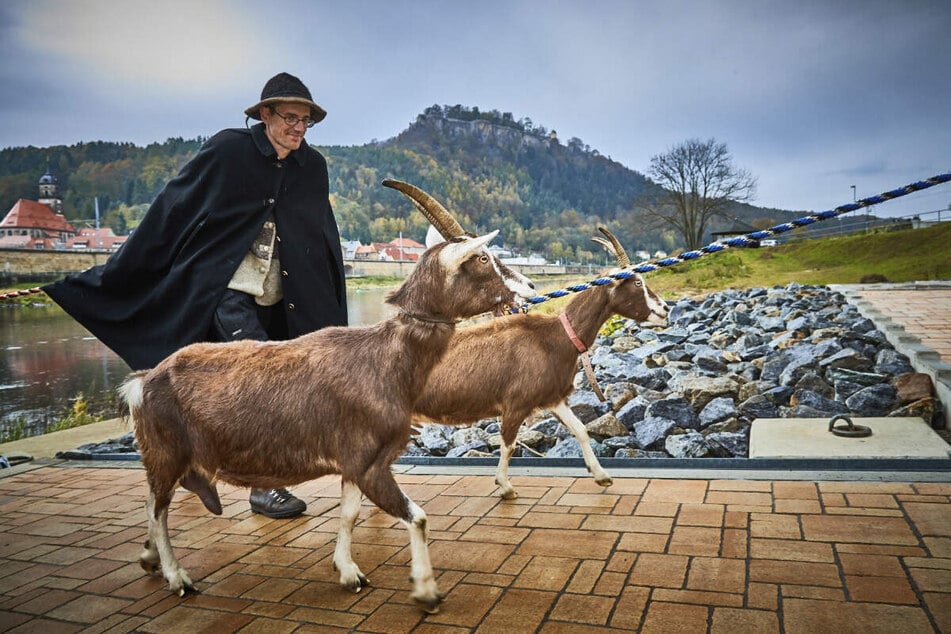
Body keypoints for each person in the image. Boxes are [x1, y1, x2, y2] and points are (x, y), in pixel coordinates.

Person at [44, 72, 348, 519]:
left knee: (274, 384)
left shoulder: (313, 167)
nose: (299, 128)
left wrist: (333, 317)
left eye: (306, 120)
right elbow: (174, 206)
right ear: (264, 115)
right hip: (228, 289)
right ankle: (265, 487)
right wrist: (116, 271)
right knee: (262, 382)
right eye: (290, 118)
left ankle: (196, 461)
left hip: (286, 296)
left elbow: (323, 237)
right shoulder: (229, 150)